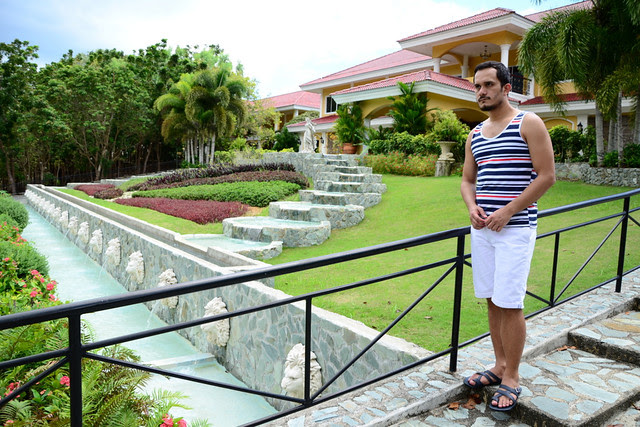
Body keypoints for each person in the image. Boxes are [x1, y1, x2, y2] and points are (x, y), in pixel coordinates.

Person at [460, 61, 556, 411]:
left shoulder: (528, 122)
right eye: (477, 86)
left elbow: (546, 176)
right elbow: (467, 180)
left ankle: (512, 376)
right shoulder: (474, 134)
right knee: (491, 298)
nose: (481, 91)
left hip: (515, 229)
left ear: (506, 88)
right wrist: (472, 207)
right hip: (483, 230)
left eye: (488, 84)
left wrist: (508, 211)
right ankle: (499, 365)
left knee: (510, 302)